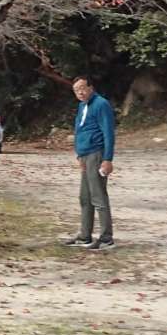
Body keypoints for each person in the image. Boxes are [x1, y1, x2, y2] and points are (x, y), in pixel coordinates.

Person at [63, 76, 116, 250]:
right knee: (85, 197)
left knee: (98, 196)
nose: (80, 92)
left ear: (91, 88)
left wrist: (107, 159)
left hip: (96, 154)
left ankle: (106, 237)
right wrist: (79, 155)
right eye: (76, 90)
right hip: (85, 155)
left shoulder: (101, 104)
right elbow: (79, 130)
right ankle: (85, 235)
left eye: (82, 88)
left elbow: (108, 132)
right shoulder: (82, 106)